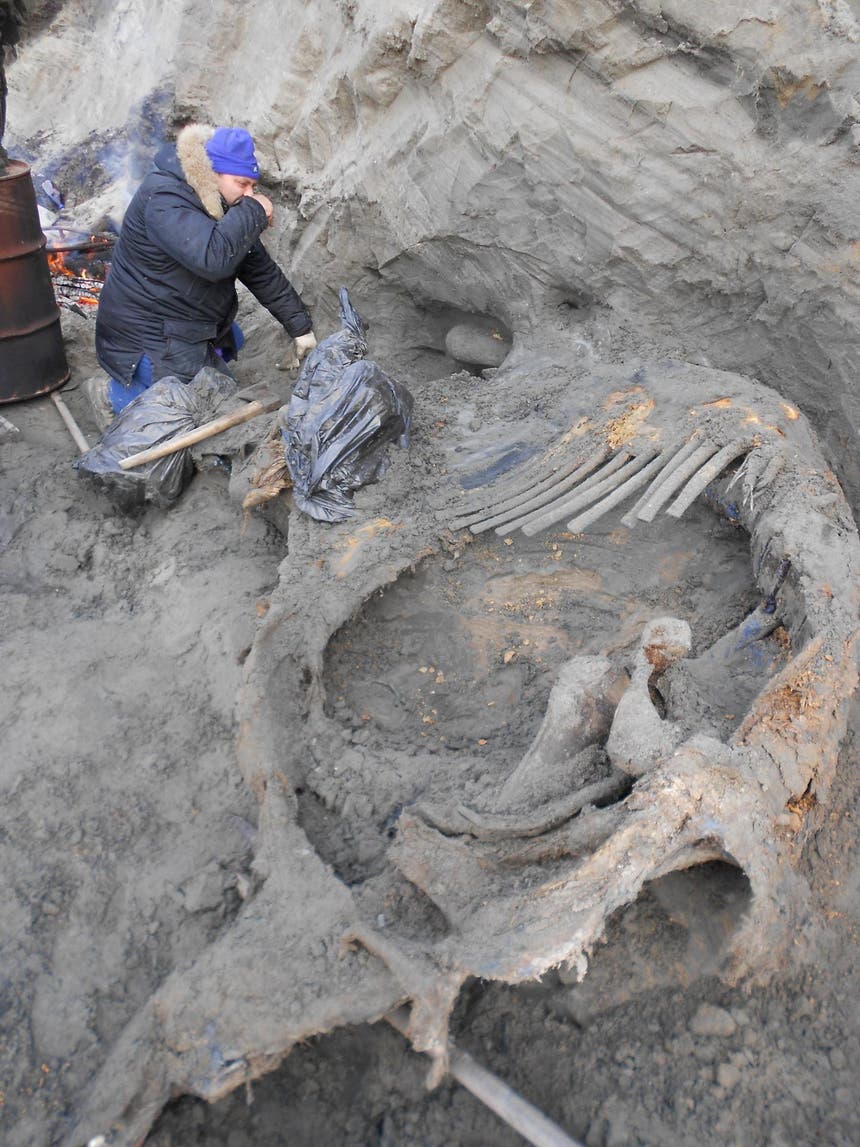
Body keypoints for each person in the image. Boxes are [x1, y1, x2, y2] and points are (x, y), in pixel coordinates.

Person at [91, 123, 316, 420]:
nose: (248, 195)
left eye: (253, 187)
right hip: (144, 332)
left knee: (230, 349)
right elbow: (213, 259)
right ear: (212, 174)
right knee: (207, 411)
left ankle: (172, 377)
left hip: (182, 316)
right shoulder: (164, 199)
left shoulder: (219, 201)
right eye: (241, 184)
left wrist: (301, 329)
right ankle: (112, 396)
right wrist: (254, 211)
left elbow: (258, 268)